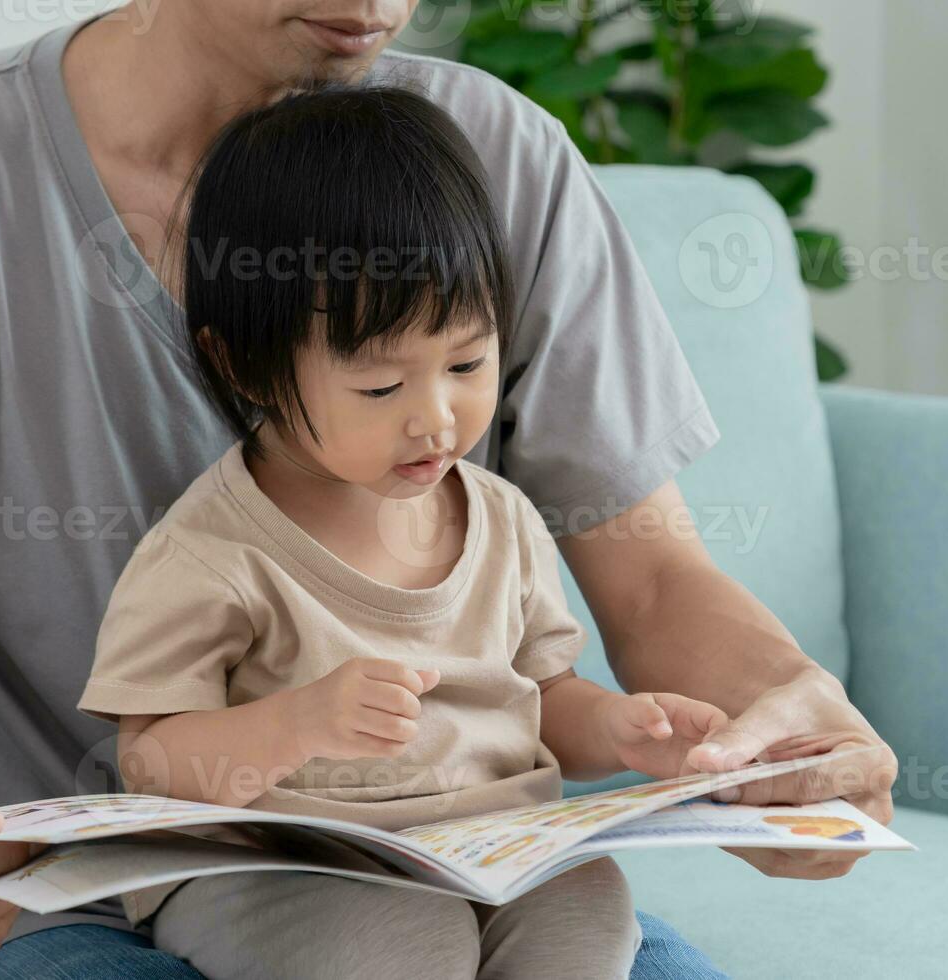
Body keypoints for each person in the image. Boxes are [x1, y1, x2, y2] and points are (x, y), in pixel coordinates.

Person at [0, 2, 898, 979]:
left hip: (455, 880)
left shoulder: (497, 159)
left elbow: (653, 571)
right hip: (49, 908)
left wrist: (780, 728)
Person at [78, 82, 739, 980]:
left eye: (467, 363)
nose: (435, 419)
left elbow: (539, 698)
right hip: (289, 868)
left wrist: (623, 730)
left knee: (587, 903)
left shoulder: (500, 518)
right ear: (245, 363)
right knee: (404, 943)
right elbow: (153, 762)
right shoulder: (213, 552)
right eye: (381, 388)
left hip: (488, 849)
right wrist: (298, 724)